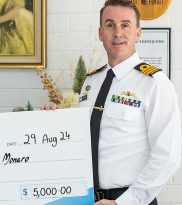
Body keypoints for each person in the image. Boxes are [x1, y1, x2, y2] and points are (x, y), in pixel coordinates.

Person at [42, 0, 181, 204]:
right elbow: (82, 139)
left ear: (138, 33)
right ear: (100, 33)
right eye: (110, 25)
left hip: (128, 200)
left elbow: (168, 156)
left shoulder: (155, 83)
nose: (118, 32)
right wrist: (52, 124)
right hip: (87, 198)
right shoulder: (91, 82)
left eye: (125, 25)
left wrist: (123, 202)